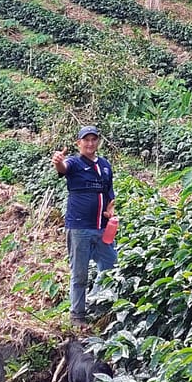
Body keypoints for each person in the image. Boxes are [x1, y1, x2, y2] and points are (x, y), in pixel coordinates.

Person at [53, 125, 117, 326]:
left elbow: (109, 193)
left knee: (110, 266)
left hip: (102, 227)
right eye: (86, 140)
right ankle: (77, 316)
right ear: (78, 143)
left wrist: (111, 208)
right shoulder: (74, 163)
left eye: (93, 139)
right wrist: (58, 162)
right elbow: (63, 168)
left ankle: (95, 303)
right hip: (79, 227)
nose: (90, 143)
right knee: (80, 273)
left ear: (98, 142)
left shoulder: (105, 165)